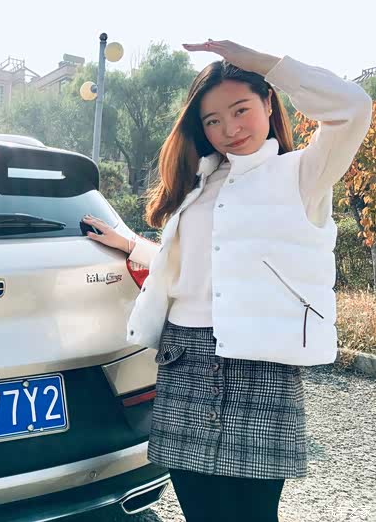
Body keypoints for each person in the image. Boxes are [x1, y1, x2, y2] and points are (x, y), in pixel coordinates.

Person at [82, 40, 372, 522]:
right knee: (200, 511)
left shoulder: (303, 173)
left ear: (268, 103)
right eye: (212, 120)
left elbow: (353, 107)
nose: (229, 129)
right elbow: (200, 267)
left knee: (251, 514)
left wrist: (262, 63)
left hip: (259, 364)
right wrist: (131, 245)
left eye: (240, 110)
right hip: (184, 358)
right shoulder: (200, 184)